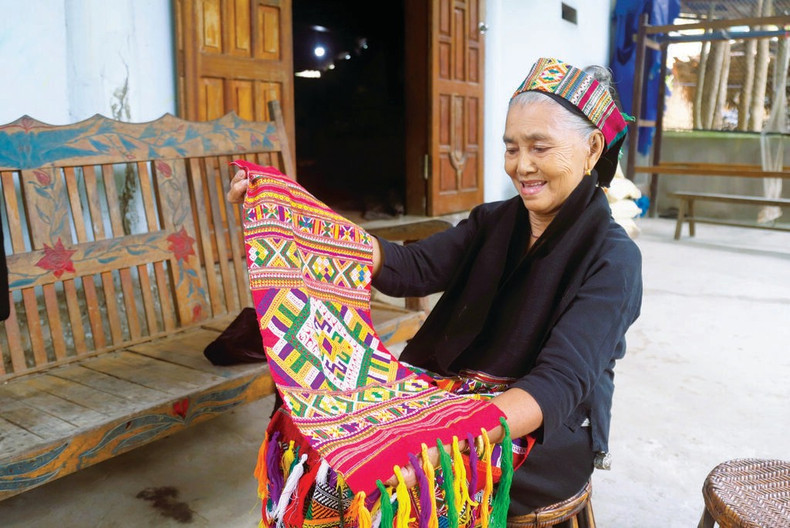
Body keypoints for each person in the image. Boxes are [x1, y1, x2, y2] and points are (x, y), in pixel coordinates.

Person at [228, 57, 643, 519]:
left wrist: (442, 445)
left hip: (539, 427)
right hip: (452, 390)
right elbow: (412, 266)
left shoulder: (614, 260)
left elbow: (556, 384)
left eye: (540, 147)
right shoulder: (495, 222)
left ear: (591, 149)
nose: (522, 166)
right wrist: (295, 214)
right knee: (309, 424)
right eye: (511, 149)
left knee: (397, 483)